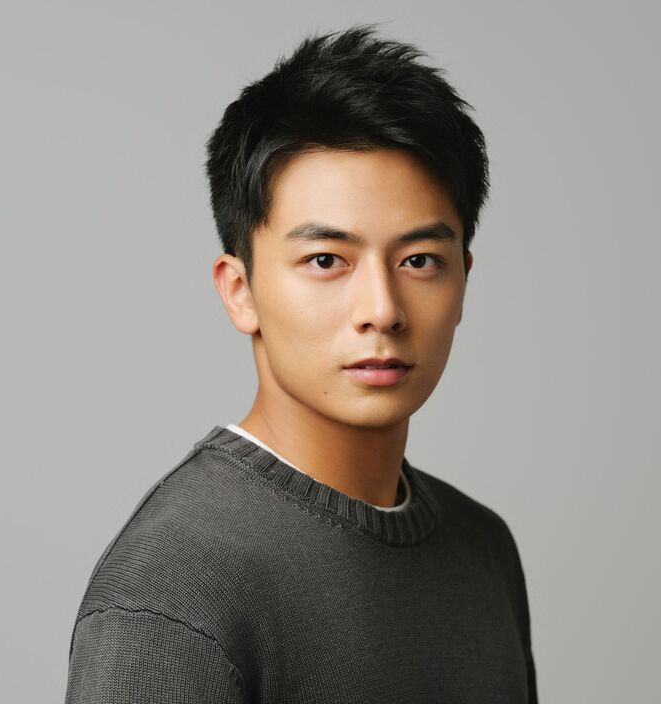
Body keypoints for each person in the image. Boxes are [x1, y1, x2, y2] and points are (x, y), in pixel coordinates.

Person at [64, 23, 537, 703]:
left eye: (418, 261)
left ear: (463, 279)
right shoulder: (171, 595)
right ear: (240, 290)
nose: (382, 310)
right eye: (325, 260)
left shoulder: (482, 549)